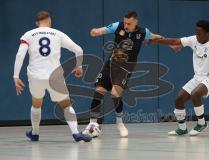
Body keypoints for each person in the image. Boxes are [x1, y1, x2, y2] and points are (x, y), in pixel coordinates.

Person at [83, 11, 164, 137]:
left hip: (125, 68)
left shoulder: (143, 32)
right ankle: (92, 124)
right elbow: (102, 30)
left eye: (129, 24)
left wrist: (171, 45)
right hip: (110, 63)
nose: (126, 26)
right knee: (99, 91)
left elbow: (156, 37)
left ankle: (119, 123)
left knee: (115, 93)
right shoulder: (118, 26)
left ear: (136, 22)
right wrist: (96, 31)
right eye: (125, 22)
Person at [13, 11, 91, 142]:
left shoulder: (28, 35)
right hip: (54, 76)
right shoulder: (57, 34)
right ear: (50, 22)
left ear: (37, 23)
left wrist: (16, 76)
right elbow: (78, 49)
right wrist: (79, 66)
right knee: (66, 104)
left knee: (36, 104)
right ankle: (76, 133)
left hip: (35, 75)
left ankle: (35, 133)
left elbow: (20, 55)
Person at [147, 20, 209, 136]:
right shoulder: (194, 39)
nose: (196, 35)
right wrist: (156, 40)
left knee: (196, 94)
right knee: (179, 99)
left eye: (199, 33)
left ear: (208, 34)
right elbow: (175, 41)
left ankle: (201, 123)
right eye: (196, 32)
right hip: (198, 77)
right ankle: (182, 128)